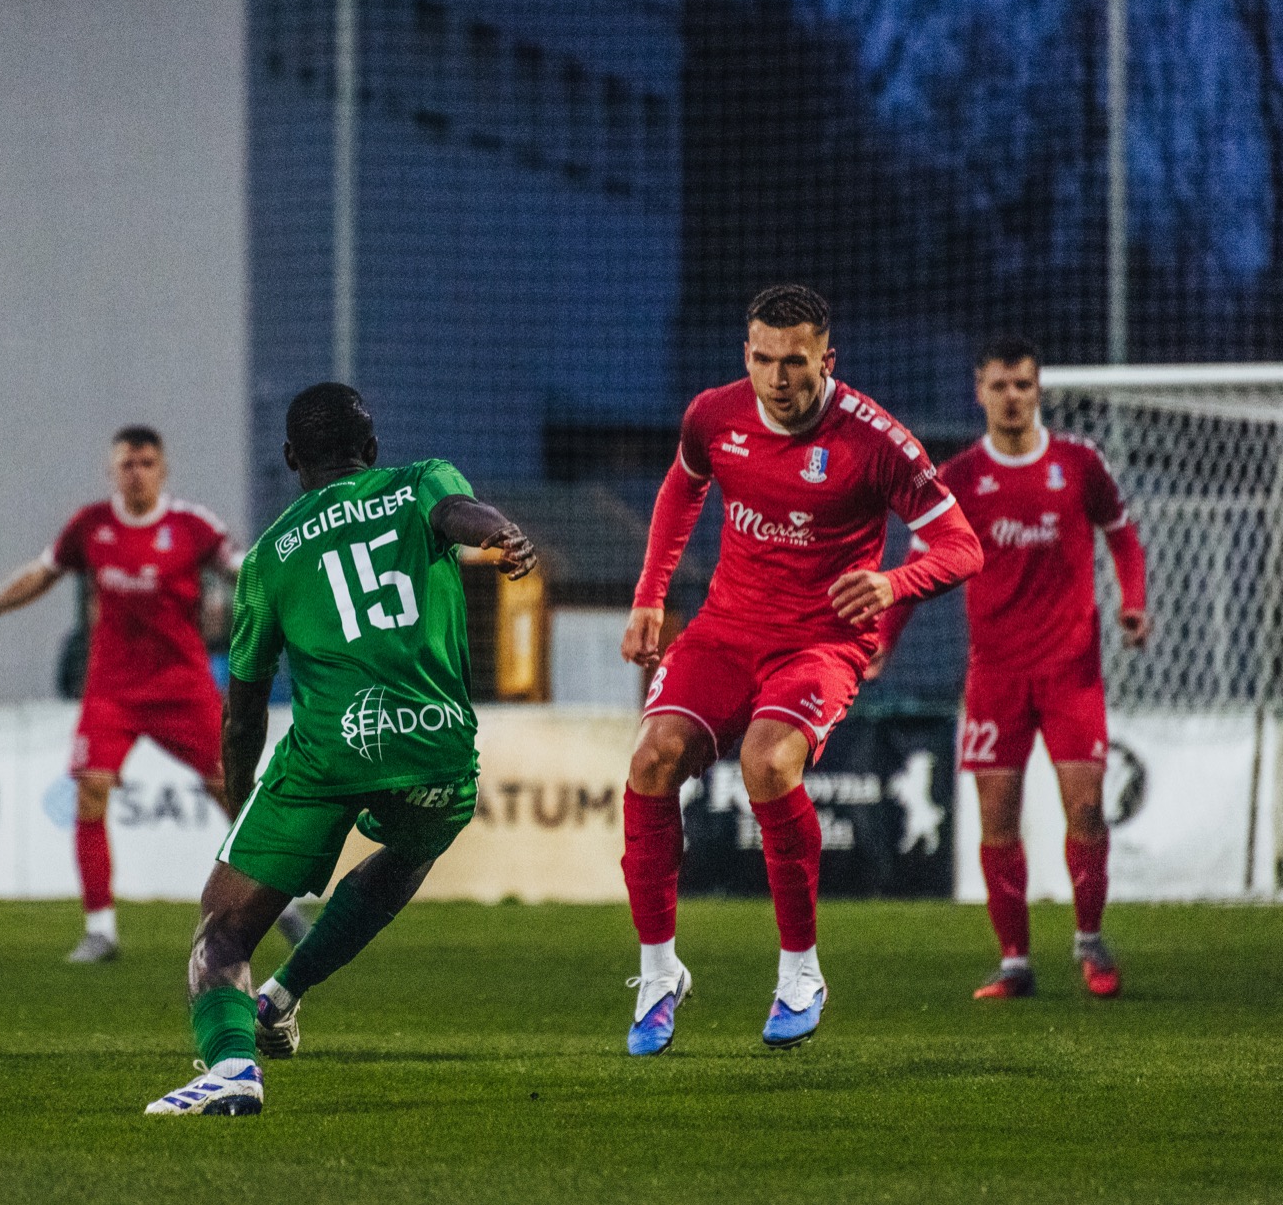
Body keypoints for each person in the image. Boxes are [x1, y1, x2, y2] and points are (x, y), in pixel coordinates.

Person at [144, 382, 535, 1116]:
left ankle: (233, 1067)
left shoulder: (269, 557)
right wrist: (502, 532)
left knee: (222, 931)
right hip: (439, 749)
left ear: (292, 459)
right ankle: (282, 995)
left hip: (330, 754)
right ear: (372, 449)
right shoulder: (420, 481)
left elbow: (244, 706)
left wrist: (242, 808)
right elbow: (457, 514)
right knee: (408, 853)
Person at [618, 283, 982, 1055]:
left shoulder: (877, 441)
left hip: (820, 643)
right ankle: (657, 974)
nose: (777, 378)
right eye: (763, 359)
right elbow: (683, 485)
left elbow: (962, 547)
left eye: (795, 362)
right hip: (725, 630)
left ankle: (800, 973)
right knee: (651, 762)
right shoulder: (714, 415)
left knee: (767, 762)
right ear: (746, 354)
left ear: (827, 360)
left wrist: (893, 583)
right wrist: (650, 595)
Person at [0, 425, 310, 962]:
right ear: (112, 470)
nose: (137, 473)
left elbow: (246, 569)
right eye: (127, 464)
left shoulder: (192, 526)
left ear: (163, 470)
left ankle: (281, 906)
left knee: (232, 792)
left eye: (146, 463)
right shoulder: (91, 526)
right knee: (90, 791)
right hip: (112, 690)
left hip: (183, 686)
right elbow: (42, 573)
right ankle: (101, 931)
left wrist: (297, 597)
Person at [871, 337, 1148, 1000]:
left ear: (1038, 388)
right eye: (1000, 385)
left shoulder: (1078, 463)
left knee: (1087, 809)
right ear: (980, 392)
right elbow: (916, 564)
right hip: (995, 675)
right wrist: (883, 640)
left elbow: (1122, 534)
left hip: (1071, 671)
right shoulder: (960, 479)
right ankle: (1015, 962)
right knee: (998, 819)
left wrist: (1133, 602)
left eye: (1023, 384)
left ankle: (1089, 940)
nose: (1012, 396)